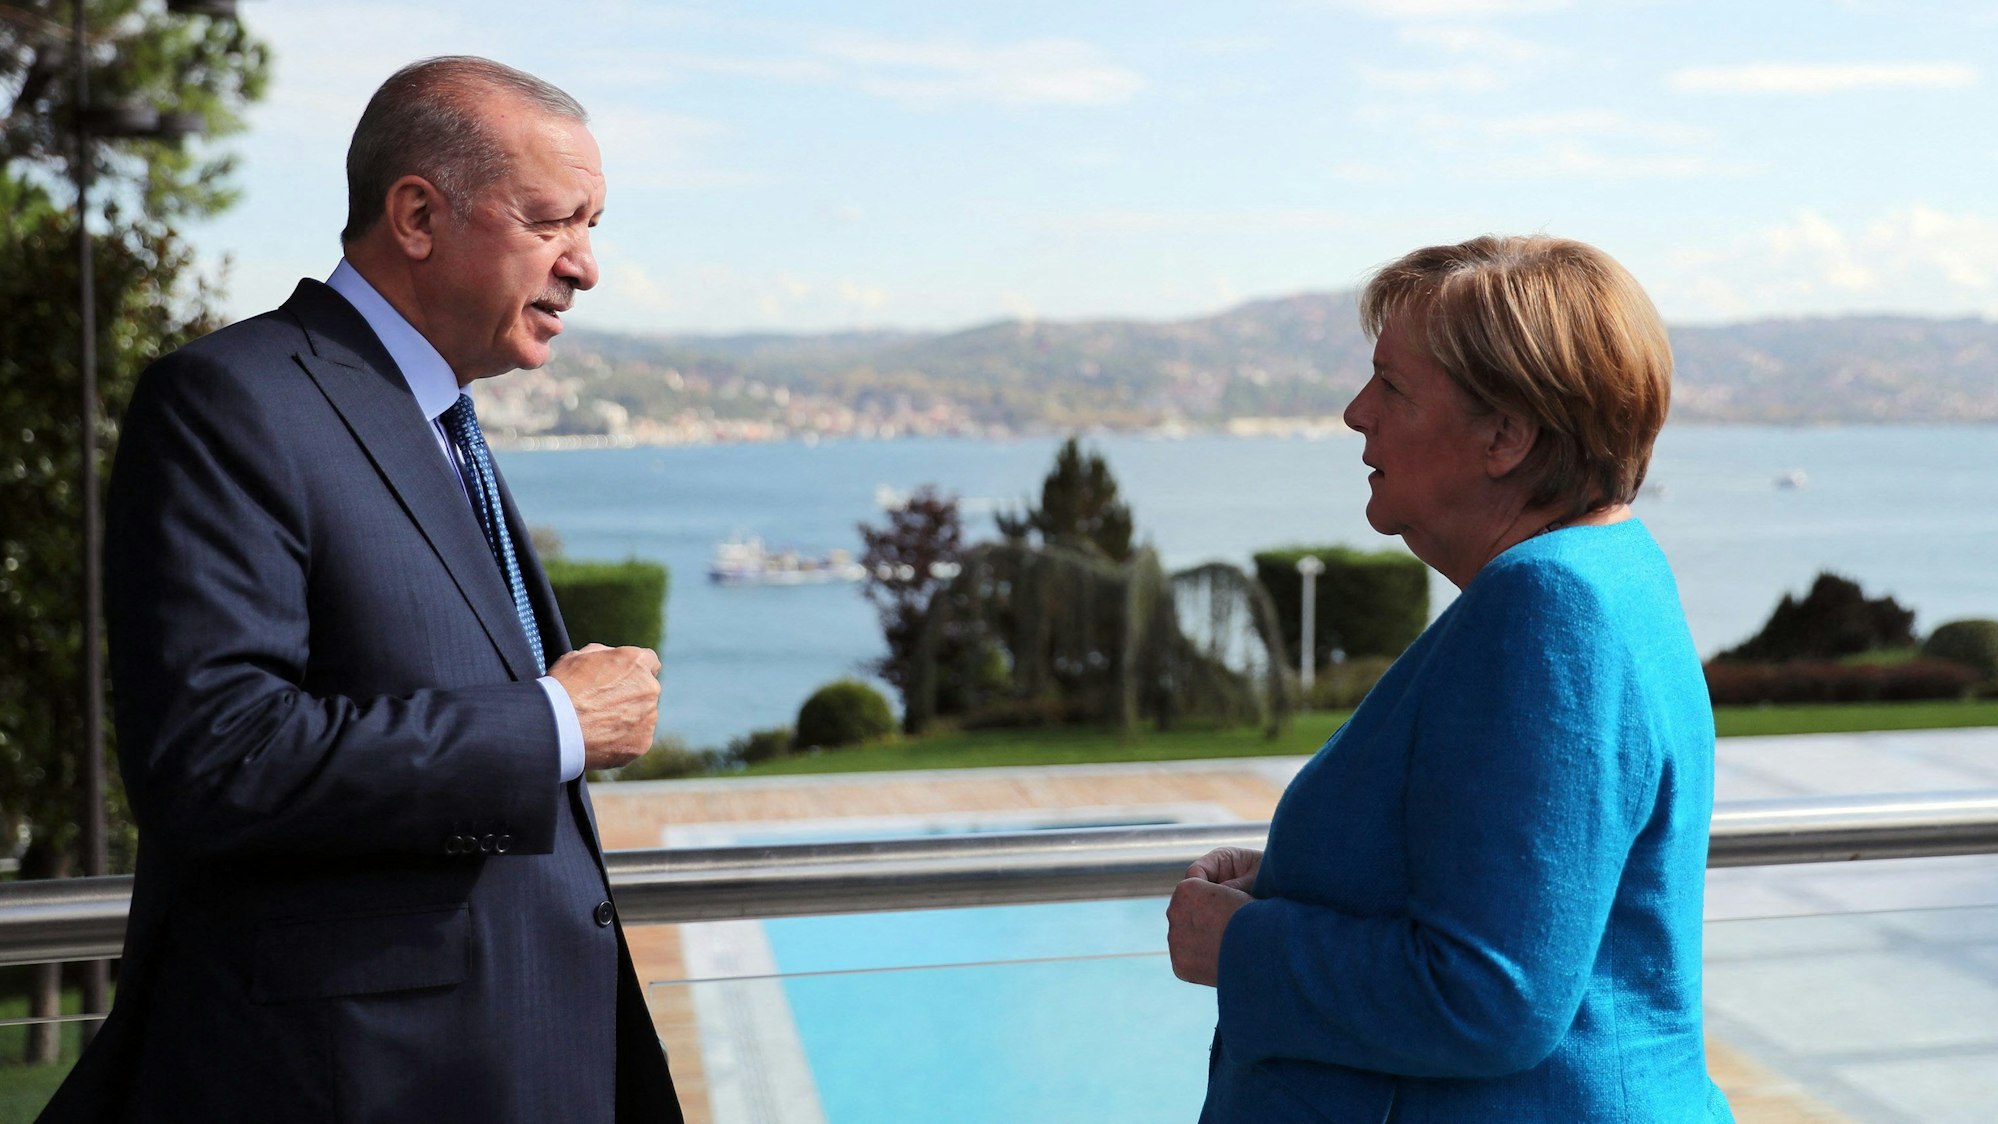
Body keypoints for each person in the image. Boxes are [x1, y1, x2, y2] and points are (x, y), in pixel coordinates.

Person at [42, 57, 683, 1123]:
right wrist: (553, 724)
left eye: (594, 224)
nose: (586, 266)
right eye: (552, 221)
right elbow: (220, 755)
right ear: (419, 215)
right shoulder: (230, 403)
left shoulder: (441, 421)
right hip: (364, 1081)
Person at [1167, 235, 1735, 1122]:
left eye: (1392, 386)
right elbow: (1525, 884)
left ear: (1505, 435)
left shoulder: (1549, 606)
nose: (1357, 413)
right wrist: (1304, 882)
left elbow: (1493, 998)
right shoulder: (1612, 571)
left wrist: (1244, 945)